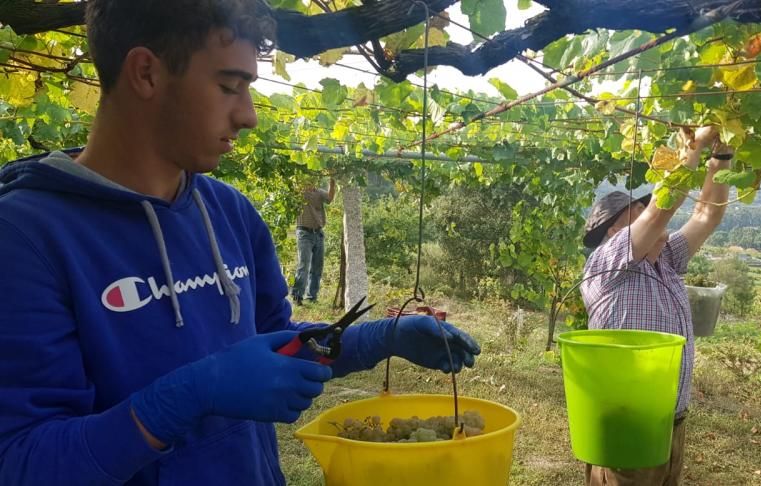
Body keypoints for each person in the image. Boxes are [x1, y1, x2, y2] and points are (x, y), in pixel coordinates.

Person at [0, 1, 480, 485]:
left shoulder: (230, 213)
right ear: (146, 73)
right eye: (230, 86)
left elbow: (280, 345)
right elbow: (22, 462)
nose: (249, 116)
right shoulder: (25, 238)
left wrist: (375, 338)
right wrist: (187, 396)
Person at [580, 126, 733, 486]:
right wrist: (691, 151)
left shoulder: (666, 260)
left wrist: (721, 158)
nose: (649, 212)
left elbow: (706, 216)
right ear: (615, 235)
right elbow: (660, 213)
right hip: (626, 421)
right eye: (636, 213)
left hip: (673, 420)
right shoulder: (608, 265)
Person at [292, 174, 336, 305]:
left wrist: (332, 184)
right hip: (304, 232)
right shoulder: (299, 192)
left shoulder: (318, 192)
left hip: (318, 233)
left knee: (317, 266)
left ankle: (312, 296)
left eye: (313, 179)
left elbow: (329, 198)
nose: (312, 182)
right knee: (303, 265)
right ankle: (297, 296)